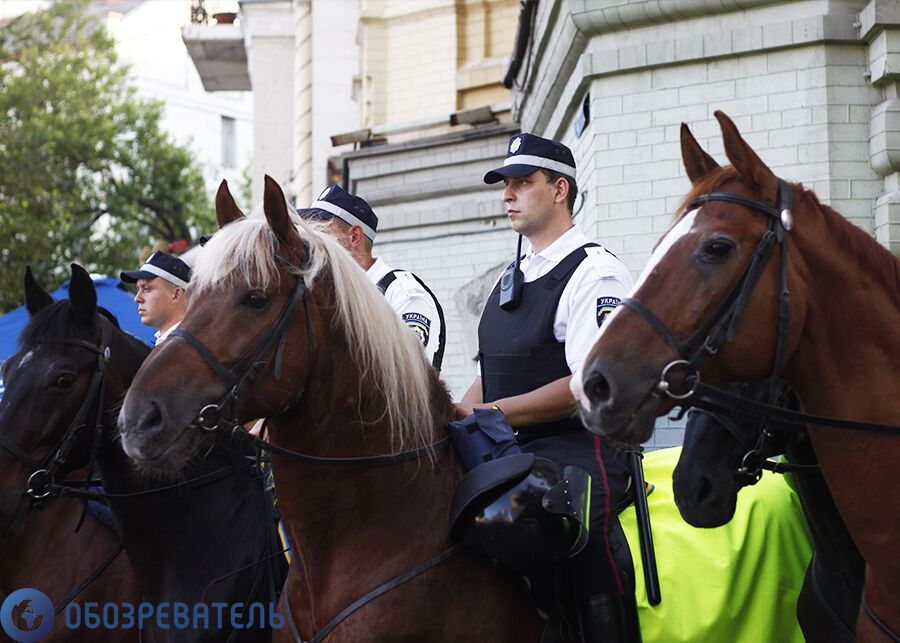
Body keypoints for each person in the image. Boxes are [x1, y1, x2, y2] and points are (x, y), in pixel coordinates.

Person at [454, 133, 640, 642]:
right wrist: (452, 416)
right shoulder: (509, 278)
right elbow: (487, 373)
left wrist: (490, 413)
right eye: (505, 184)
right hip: (505, 445)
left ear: (560, 189)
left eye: (523, 182)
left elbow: (589, 383)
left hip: (576, 447)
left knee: (578, 529)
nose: (507, 194)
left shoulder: (595, 272)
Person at [298, 185, 446, 371]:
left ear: (354, 236)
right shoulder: (332, 298)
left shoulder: (399, 292)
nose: (314, 243)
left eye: (322, 233)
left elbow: (406, 374)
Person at [120, 251, 191, 345]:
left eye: (146, 289)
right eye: (138, 289)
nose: (137, 298)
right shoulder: (174, 342)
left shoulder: (191, 346)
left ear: (176, 294)